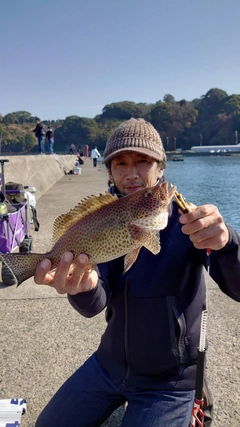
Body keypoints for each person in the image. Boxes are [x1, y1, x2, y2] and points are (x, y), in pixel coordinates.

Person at [34, 118, 240, 427]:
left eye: (143, 162)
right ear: (110, 172)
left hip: (169, 382)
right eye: (121, 163)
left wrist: (227, 245)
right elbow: (95, 303)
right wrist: (84, 287)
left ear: (161, 168)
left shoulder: (191, 223)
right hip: (109, 364)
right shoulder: (106, 220)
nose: (131, 173)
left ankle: (195, 398)